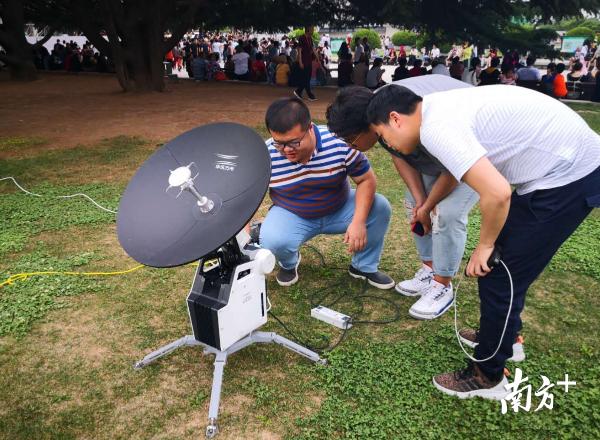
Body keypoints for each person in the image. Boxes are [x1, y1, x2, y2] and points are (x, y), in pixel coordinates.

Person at [365, 83, 600, 400]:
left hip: (568, 176)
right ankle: (507, 341)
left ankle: (487, 376)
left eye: (382, 136)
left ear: (395, 119)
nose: (387, 144)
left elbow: (497, 193)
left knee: (500, 275)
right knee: (507, 268)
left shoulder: (436, 129)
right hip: (562, 168)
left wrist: (485, 246)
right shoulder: (435, 109)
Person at [326, 75, 480, 320]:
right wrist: (420, 201)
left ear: (369, 126)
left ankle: (442, 285)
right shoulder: (382, 117)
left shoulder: (419, 121)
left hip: (471, 152)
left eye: (351, 139)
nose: (350, 146)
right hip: (437, 157)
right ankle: (429, 270)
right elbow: (399, 155)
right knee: (413, 203)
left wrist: (429, 205)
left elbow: (453, 170)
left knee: (446, 213)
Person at [259, 97, 395, 289]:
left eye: (294, 142)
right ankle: (289, 263)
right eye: (279, 143)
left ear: (311, 128)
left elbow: (366, 179)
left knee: (379, 207)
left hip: (339, 208)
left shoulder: (339, 141)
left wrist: (358, 221)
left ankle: (363, 267)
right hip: (292, 213)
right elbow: (248, 196)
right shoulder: (266, 155)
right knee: (272, 239)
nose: (286, 150)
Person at [294, 26, 319, 101]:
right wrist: (300, 62)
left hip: (309, 61)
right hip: (304, 61)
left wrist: (317, 58)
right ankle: (310, 95)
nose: (313, 31)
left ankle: (298, 91)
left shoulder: (310, 38)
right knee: (306, 78)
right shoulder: (302, 38)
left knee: (307, 78)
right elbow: (299, 50)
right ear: (308, 30)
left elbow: (313, 49)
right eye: (312, 29)